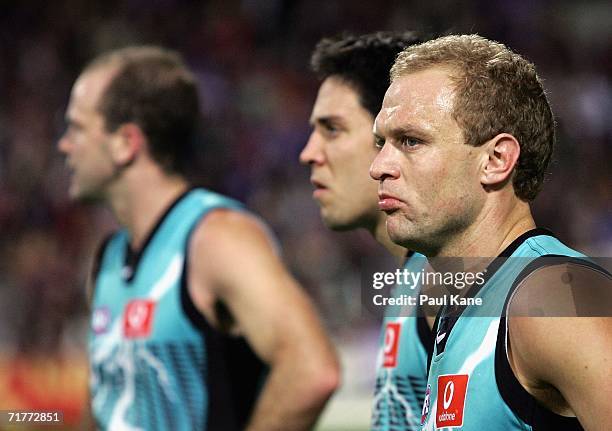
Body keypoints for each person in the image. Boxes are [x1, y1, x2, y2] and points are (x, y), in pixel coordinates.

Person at [58, 46, 339, 431]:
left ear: (126, 142)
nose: (64, 145)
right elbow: (109, 401)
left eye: (77, 128)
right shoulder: (108, 258)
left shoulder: (216, 237)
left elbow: (312, 371)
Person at [371, 34, 612, 430]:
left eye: (410, 141)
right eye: (382, 143)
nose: (378, 166)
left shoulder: (552, 299)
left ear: (496, 160)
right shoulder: (468, 301)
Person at [300, 31, 432, 431]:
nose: (308, 153)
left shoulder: (467, 283)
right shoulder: (412, 278)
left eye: (332, 129)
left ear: (392, 135)